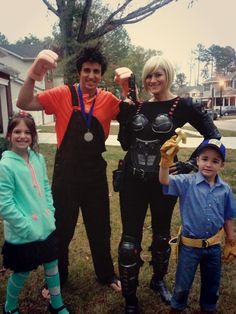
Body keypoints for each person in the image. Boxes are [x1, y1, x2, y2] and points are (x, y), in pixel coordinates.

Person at [114, 56, 221, 314]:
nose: (153, 80)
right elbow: (126, 143)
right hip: (132, 180)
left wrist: (190, 165)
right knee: (130, 241)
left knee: (162, 234)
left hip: (164, 181)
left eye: (158, 75)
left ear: (168, 76)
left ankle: (158, 280)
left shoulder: (182, 105)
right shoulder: (137, 106)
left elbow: (213, 135)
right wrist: (125, 116)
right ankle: (130, 299)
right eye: (149, 76)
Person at [16, 47, 122, 292]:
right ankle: (58, 277)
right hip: (67, 176)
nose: (91, 76)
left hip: (95, 175)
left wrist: (128, 89)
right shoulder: (62, 94)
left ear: (101, 75)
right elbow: (23, 101)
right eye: (87, 70)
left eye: (96, 71)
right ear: (79, 72)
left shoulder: (107, 100)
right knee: (61, 230)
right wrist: (33, 75)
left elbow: (135, 114)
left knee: (100, 228)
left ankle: (106, 274)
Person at [0, 112, 70, 314]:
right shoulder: (5, 165)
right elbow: (5, 203)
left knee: (52, 265)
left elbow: (46, 187)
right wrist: (24, 226)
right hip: (23, 232)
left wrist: (50, 211)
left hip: (45, 226)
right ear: (9, 135)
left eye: (27, 132)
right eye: (17, 131)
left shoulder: (38, 158)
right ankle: (10, 306)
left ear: (33, 136)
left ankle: (56, 304)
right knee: (22, 272)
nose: (22, 136)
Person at [159, 137, 236, 313]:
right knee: (182, 283)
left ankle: (208, 308)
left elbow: (227, 217)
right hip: (190, 246)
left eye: (215, 161)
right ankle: (177, 307)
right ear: (197, 160)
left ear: (221, 165)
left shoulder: (225, 189)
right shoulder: (187, 182)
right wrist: (164, 164)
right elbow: (165, 181)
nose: (208, 164)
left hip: (214, 247)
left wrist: (231, 240)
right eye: (205, 159)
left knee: (212, 283)